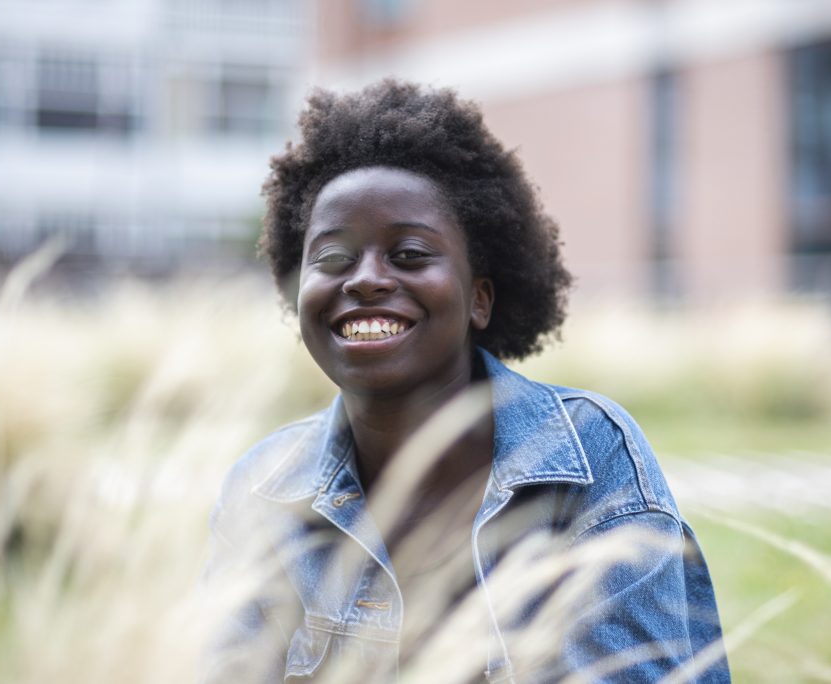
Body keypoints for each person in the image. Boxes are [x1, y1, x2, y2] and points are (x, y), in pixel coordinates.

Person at [205, 79, 729, 683]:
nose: (366, 279)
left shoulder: (588, 456)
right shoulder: (264, 488)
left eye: (409, 255)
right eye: (331, 259)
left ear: (479, 299)